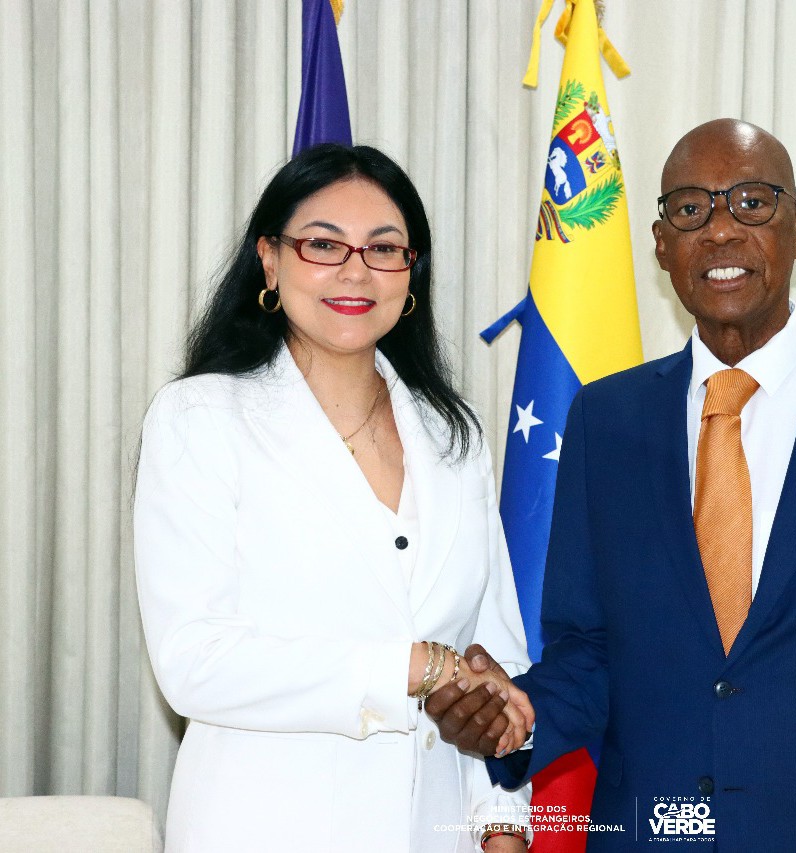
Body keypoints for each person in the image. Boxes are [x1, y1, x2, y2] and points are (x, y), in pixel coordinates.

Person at [427, 119, 796, 851]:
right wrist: (519, 716)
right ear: (662, 246)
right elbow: (588, 649)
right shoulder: (605, 420)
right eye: (691, 209)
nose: (721, 230)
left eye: (752, 202)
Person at [134, 143, 535, 853]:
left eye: (384, 249)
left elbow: (493, 659)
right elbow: (194, 661)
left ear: (412, 274)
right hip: (264, 829)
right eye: (323, 244)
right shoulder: (200, 417)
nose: (355, 270)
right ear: (270, 260)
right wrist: (408, 668)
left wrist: (501, 820)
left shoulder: (455, 434)